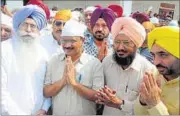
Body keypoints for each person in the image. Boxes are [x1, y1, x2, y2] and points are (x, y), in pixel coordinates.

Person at [95, 17, 158, 115]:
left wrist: (119, 103)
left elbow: (147, 108)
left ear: (136, 45)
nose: (120, 47)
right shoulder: (107, 62)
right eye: (117, 42)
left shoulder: (148, 70)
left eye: (126, 43)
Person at [43, 19, 104, 115]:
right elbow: (46, 92)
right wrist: (63, 81)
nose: (67, 45)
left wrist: (74, 83)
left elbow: (98, 96)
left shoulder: (94, 64)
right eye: (64, 40)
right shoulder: (53, 61)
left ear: (82, 40)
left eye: (72, 41)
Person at [1, 5, 51, 115]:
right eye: (25, 24)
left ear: (38, 30)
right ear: (17, 26)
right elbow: (1, 93)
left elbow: (48, 85)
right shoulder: (4, 50)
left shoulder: (43, 54)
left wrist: (44, 109)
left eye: (33, 26)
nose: (28, 30)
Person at [134, 26, 179, 115]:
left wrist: (155, 104)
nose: (156, 62)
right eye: (153, 55)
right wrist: (142, 101)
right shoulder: (154, 74)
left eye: (163, 55)